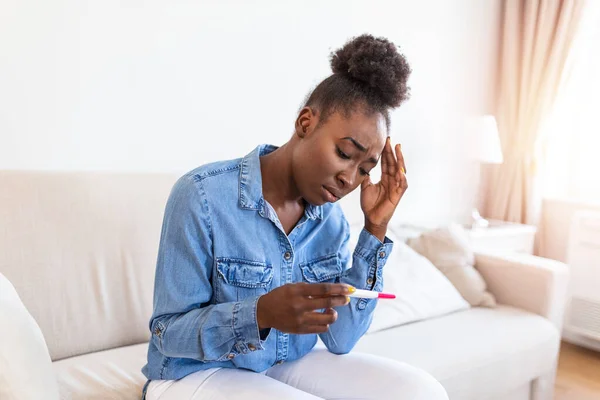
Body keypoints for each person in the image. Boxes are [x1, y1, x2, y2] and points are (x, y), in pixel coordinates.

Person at [142, 34, 448, 400]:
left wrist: (375, 229)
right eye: (345, 153)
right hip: (192, 373)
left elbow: (340, 340)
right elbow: (167, 332)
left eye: (366, 170)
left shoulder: (330, 223)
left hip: (280, 364)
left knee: (419, 391)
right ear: (306, 123)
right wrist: (259, 314)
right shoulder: (202, 196)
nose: (350, 179)